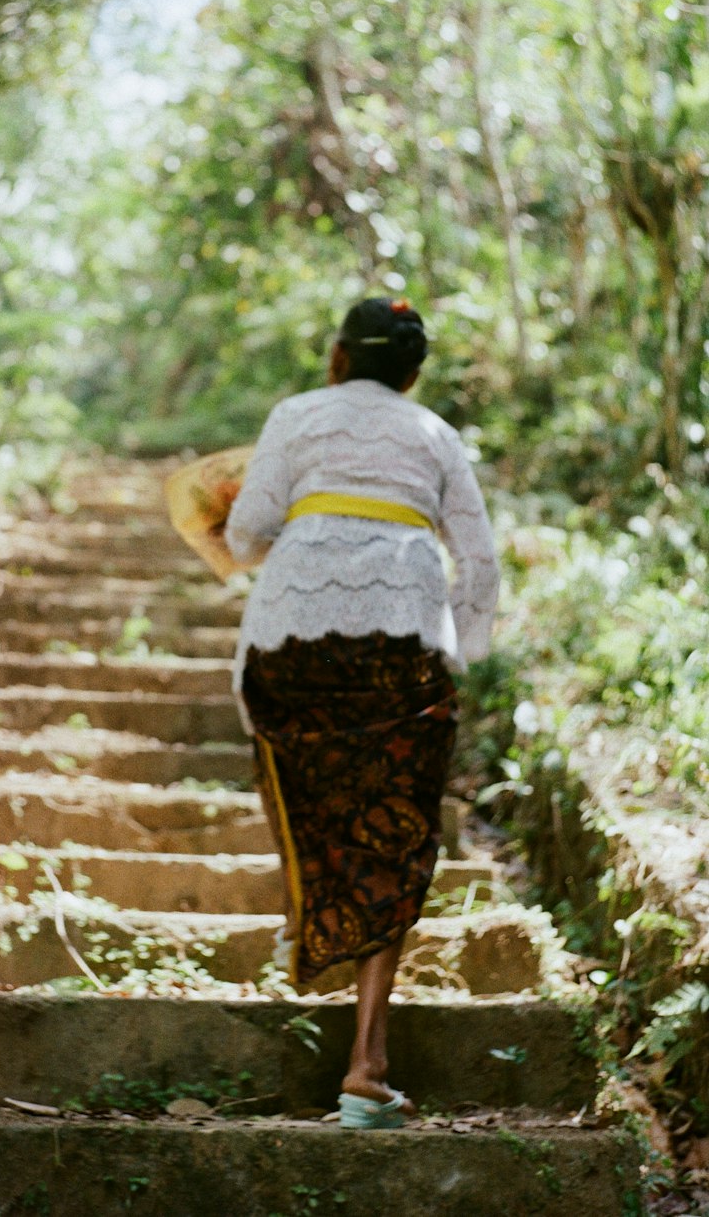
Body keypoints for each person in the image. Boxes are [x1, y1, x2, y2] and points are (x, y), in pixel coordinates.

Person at [223, 295, 500, 1129]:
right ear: (413, 374)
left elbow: (243, 532)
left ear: (337, 359)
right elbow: (479, 563)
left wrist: (303, 533)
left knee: (301, 777)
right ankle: (367, 1068)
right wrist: (465, 653)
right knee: (396, 828)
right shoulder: (436, 435)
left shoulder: (296, 414)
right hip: (401, 646)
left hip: (292, 641)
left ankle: (308, 915)